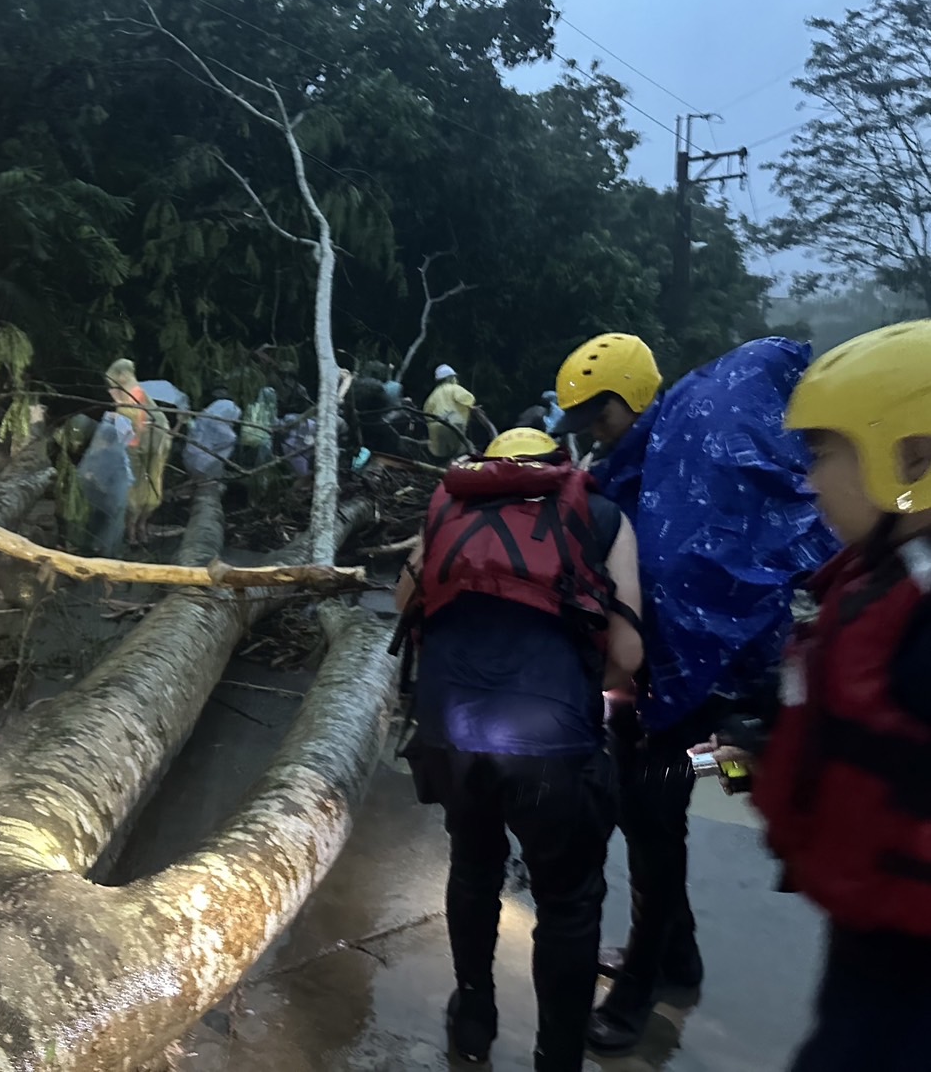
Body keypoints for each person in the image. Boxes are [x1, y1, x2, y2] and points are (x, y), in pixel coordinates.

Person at [552, 332, 837, 1053]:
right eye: (582, 424)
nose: (592, 435)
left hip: (704, 678)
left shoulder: (696, 447)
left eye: (599, 417)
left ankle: (641, 986)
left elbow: (690, 575)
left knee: (653, 813)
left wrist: (662, 691)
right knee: (645, 808)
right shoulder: (646, 458)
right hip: (665, 677)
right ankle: (676, 954)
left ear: (634, 399)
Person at [697, 321, 931, 1072]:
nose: (808, 478)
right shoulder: (881, 578)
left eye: (825, 452)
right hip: (870, 935)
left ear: (911, 456)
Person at [395, 427, 642, 1072]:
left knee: (475, 868)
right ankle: (556, 1056)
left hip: (452, 736)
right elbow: (627, 656)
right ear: (558, 466)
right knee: (568, 903)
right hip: (550, 748)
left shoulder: (447, 505)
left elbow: (406, 605)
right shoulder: (602, 515)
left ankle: (474, 1015)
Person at [106, 358, 170, 546]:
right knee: (142, 490)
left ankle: (136, 529)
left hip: (140, 448)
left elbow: (130, 423)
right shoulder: (134, 393)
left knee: (138, 491)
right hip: (142, 448)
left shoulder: (132, 393)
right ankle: (136, 529)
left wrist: (117, 414)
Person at [423, 364, 477, 462]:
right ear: (451, 377)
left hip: (436, 428)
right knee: (461, 452)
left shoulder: (434, 394)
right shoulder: (453, 388)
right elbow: (469, 398)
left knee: (443, 456)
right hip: (454, 424)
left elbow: (427, 412)